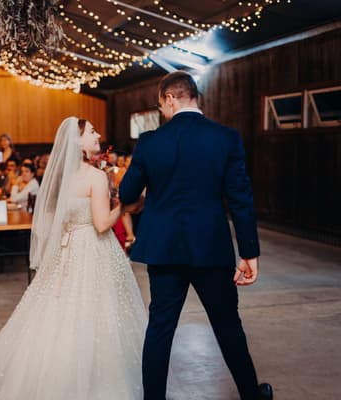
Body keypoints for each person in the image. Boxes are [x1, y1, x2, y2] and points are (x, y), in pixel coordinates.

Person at [0, 117, 147, 400]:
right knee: (98, 312)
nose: (98, 136)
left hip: (67, 250)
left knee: (61, 312)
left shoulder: (61, 178)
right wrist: (126, 208)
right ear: (78, 142)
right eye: (92, 132)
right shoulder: (95, 177)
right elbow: (103, 223)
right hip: (92, 249)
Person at [119, 71, 273, 400]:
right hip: (210, 247)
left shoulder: (150, 142)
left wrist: (147, 197)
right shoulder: (225, 138)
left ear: (171, 99)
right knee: (227, 324)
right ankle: (251, 394)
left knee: (160, 328)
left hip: (163, 248)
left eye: (161, 104)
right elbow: (240, 198)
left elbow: (127, 191)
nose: (162, 111)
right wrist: (249, 252)